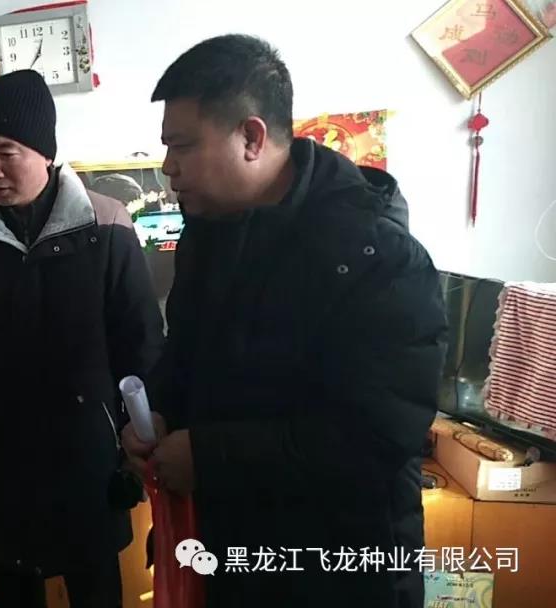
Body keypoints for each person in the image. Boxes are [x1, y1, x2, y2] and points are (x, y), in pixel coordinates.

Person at [121, 35, 447, 608]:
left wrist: (208, 457)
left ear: (251, 137)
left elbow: (374, 438)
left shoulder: (377, 257)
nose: (168, 167)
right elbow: (189, 353)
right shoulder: (208, 236)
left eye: (182, 146)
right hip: (229, 555)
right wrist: (161, 411)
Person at [0, 70, 163, 608]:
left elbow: (140, 342)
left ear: (45, 151)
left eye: (7, 152)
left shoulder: (106, 226)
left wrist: (143, 436)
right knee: (11, 585)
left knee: (96, 588)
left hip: (88, 455)